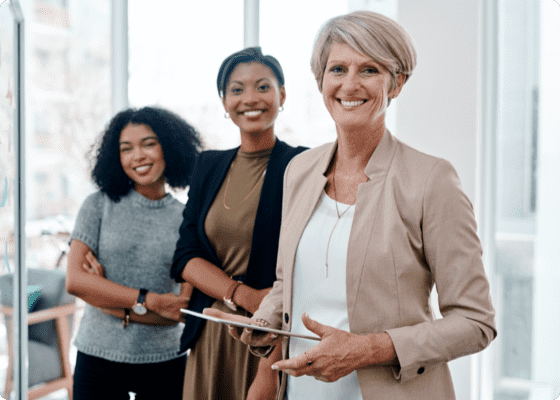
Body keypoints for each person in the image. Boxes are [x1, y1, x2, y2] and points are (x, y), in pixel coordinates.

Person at [213, 11, 497, 399]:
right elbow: (288, 284)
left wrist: (368, 349)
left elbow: (475, 322)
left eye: (369, 70)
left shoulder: (431, 180)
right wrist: (261, 322)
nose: (350, 84)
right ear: (321, 81)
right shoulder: (299, 170)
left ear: (396, 83)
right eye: (338, 69)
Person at [170, 47, 307, 400]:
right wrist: (243, 295)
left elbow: (304, 263)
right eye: (237, 89)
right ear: (224, 101)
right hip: (212, 333)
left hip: (269, 336)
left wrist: (267, 314)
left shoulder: (302, 165)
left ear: (282, 96)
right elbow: (185, 256)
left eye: (263, 87)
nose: (250, 99)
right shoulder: (209, 165)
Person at [66, 106, 202, 399]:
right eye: (126, 148)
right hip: (96, 359)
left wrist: (105, 297)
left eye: (149, 144)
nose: (137, 156)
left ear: (169, 147)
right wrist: (148, 300)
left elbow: (179, 311)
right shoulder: (98, 206)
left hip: (165, 362)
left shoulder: (187, 218)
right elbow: (76, 282)